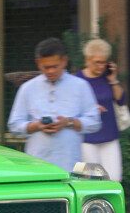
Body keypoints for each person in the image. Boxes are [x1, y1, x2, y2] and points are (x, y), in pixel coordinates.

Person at [7, 37, 100, 172]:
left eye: (55, 66)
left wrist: (69, 122)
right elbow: (14, 124)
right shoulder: (27, 88)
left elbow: (95, 122)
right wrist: (36, 125)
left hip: (69, 164)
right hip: (36, 165)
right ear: (38, 63)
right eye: (46, 67)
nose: (51, 71)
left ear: (64, 61)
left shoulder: (81, 86)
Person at [79, 38, 126, 182]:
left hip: (109, 136)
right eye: (97, 62)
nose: (101, 66)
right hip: (86, 139)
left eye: (104, 62)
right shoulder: (77, 80)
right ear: (87, 60)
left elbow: (121, 99)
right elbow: (68, 107)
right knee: (91, 181)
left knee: (115, 178)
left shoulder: (107, 78)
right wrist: (90, 109)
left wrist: (113, 79)